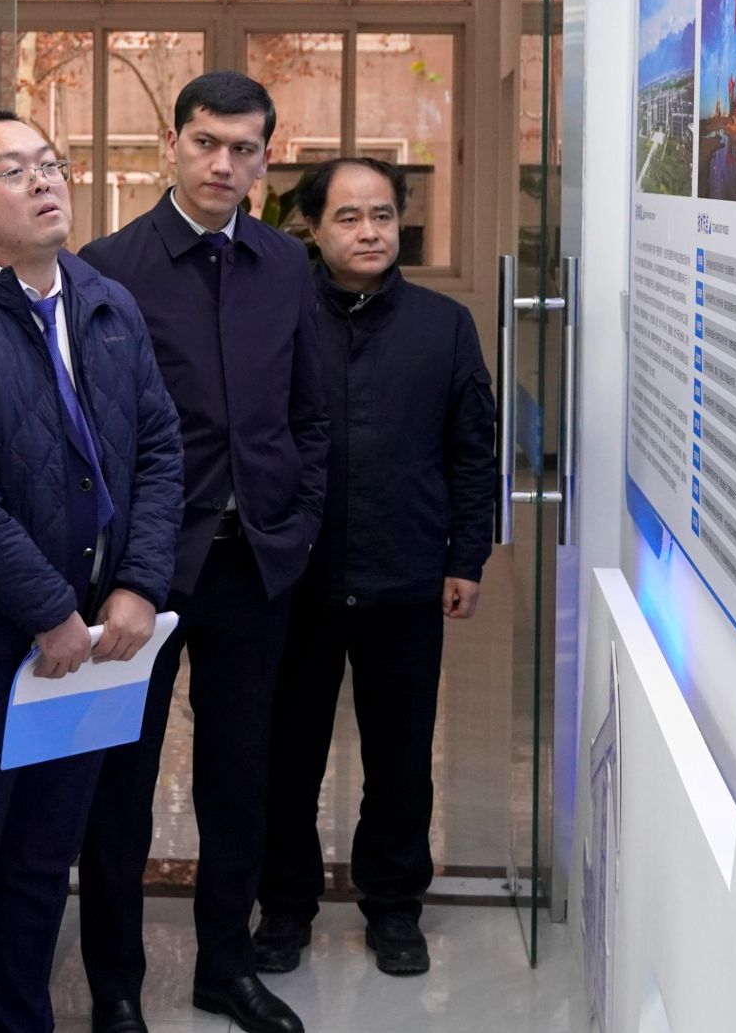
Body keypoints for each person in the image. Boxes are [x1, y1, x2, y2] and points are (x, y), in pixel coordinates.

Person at [0, 111, 183, 1033]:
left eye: (50, 163)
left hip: (89, 642)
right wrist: (48, 609)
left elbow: (160, 448)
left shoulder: (104, 300)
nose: (44, 180)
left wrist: (138, 584)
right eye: (13, 171)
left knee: (43, 862)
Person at [77, 72, 328, 1033]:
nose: (223, 163)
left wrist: (297, 521)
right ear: (171, 145)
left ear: (266, 158)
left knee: (239, 773)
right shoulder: (106, 268)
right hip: (141, 569)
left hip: (254, 561)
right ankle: (116, 985)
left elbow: (308, 411)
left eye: (243, 148)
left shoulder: (287, 264)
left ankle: (227, 965)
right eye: (206, 143)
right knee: (120, 781)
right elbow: (92, 429)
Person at [254, 157, 496, 978]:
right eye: (349, 217)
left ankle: (394, 906)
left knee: (401, 756)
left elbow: (473, 452)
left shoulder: (444, 325)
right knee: (288, 755)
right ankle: (284, 904)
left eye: (383, 216)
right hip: (298, 581)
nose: (369, 232)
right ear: (313, 228)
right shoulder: (280, 321)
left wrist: (467, 556)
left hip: (405, 575)